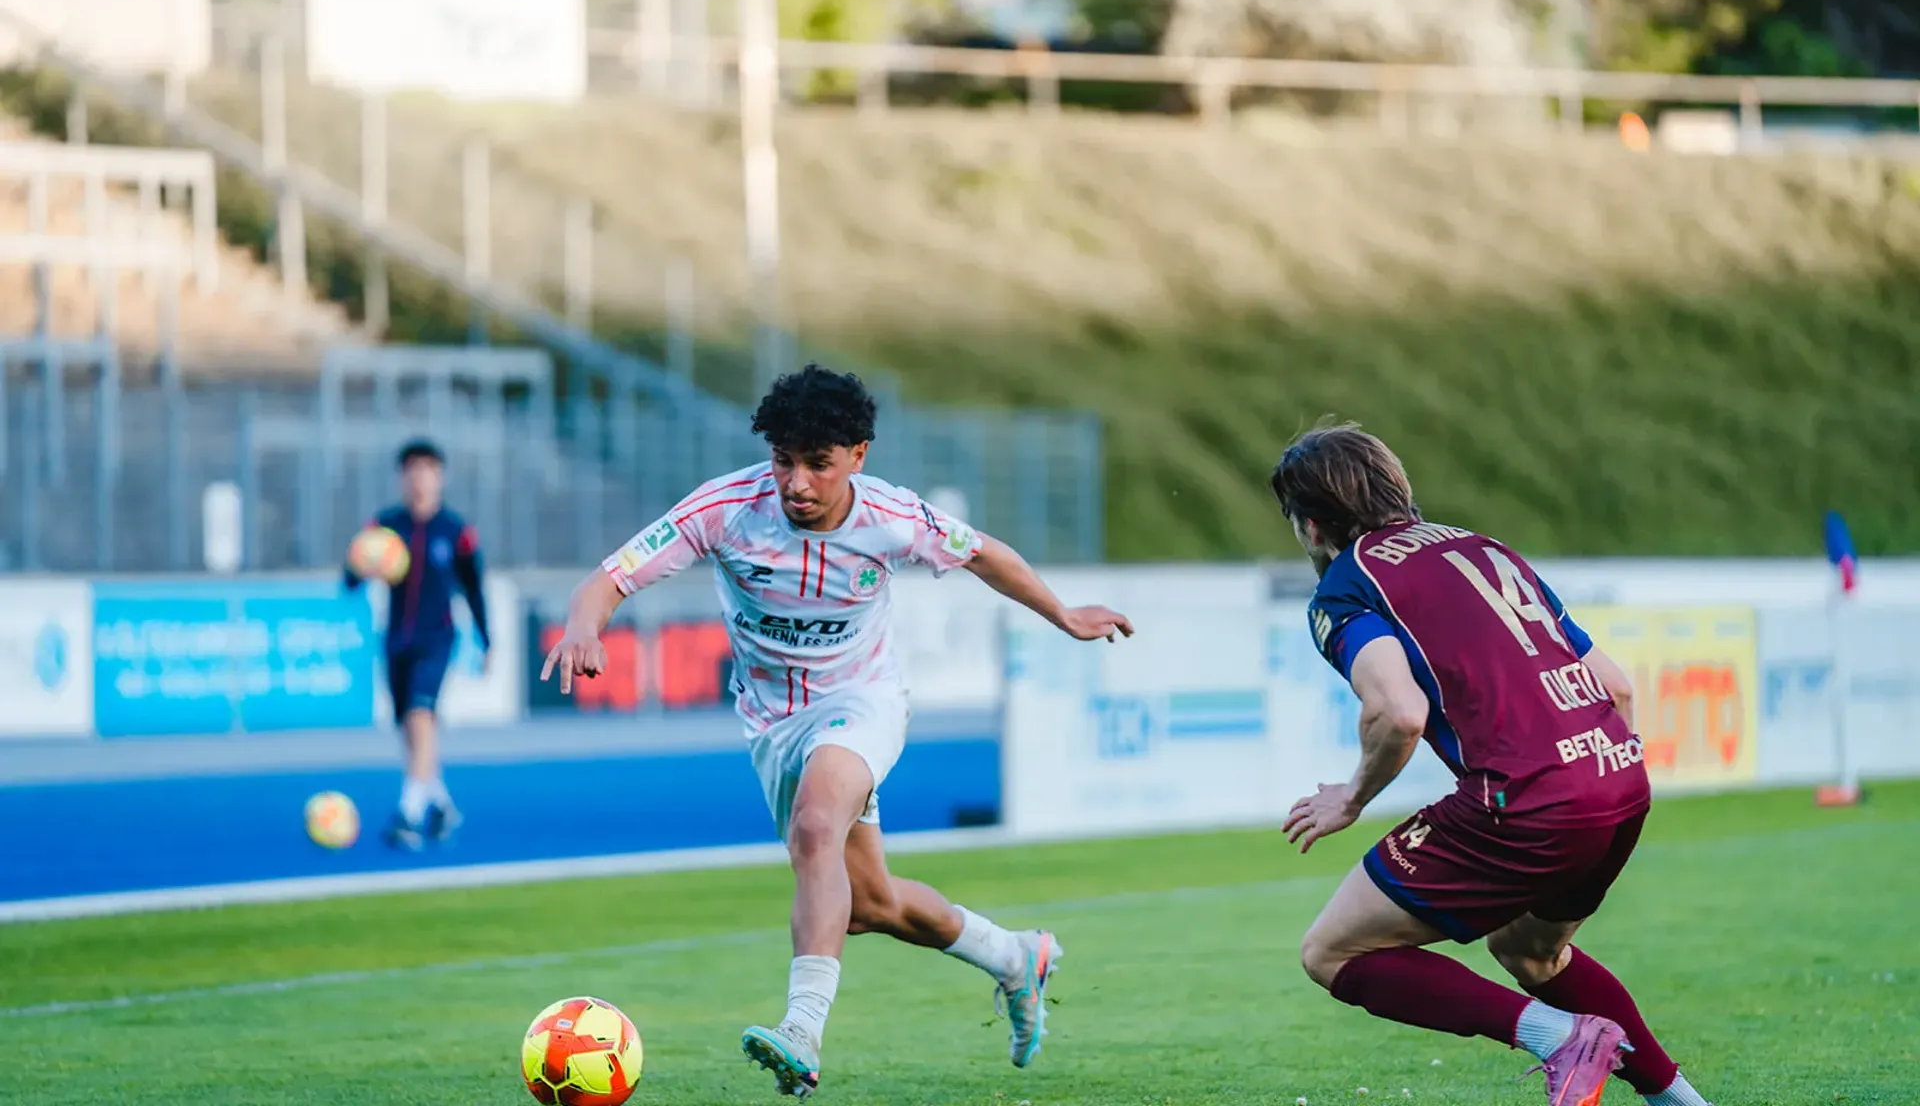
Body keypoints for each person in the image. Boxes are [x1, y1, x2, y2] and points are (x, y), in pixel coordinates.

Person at [541, 365, 1133, 1099]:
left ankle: (802, 1031)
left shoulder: (891, 515)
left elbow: (985, 554)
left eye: (817, 464)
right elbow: (608, 580)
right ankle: (1015, 957)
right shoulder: (726, 507)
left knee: (817, 826)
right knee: (870, 904)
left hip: (863, 700)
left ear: (858, 454)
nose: (796, 482)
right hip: (771, 722)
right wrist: (581, 629)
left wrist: (1065, 615)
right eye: (784, 459)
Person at [1272, 424, 1712, 1106]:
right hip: (1618, 776)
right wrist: (1594, 786)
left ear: (1309, 524)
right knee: (1532, 953)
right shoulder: (1484, 548)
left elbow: (1400, 712)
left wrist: (1352, 798)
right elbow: (1617, 687)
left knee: (1331, 953)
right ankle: (1684, 1102)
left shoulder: (1347, 587)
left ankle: (1558, 1037)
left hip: (1527, 799)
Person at [344, 438, 491, 851]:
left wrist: (487, 638)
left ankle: (408, 812)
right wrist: (363, 566)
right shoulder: (386, 526)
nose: (419, 477)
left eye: (427, 469)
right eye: (412, 469)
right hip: (396, 639)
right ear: (402, 477)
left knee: (420, 714)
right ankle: (441, 803)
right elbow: (350, 579)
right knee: (409, 729)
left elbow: (474, 587)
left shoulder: (455, 530)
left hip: (438, 637)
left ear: (439, 476)